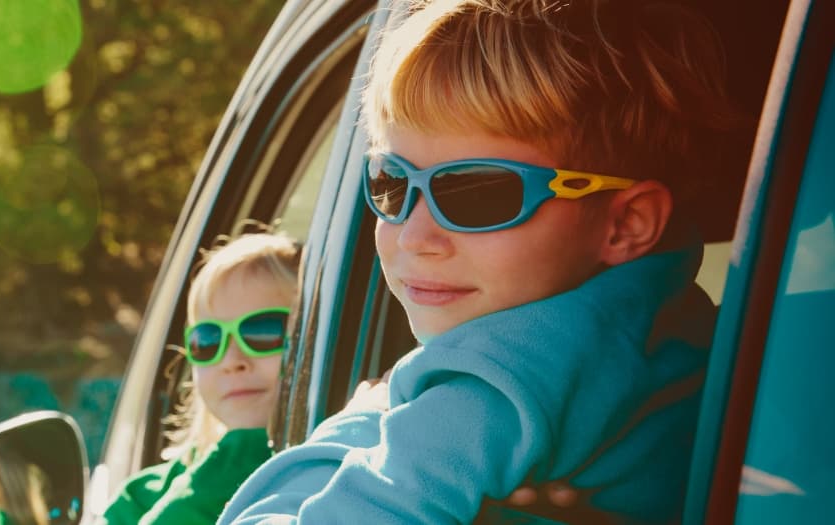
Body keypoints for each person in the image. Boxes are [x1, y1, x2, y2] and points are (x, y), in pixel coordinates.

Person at [220, 0, 746, 523]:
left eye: (479, 192)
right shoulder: (705, 337)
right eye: (391, 182)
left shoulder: (492, 381)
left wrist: (361, 422)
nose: (415, 236)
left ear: (627, 223)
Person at [103, 233, 297, 525]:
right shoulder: (139, 499)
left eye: (264, 330)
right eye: (208, 340)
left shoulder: (338, 468)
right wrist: (237, 455)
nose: (231, 362)